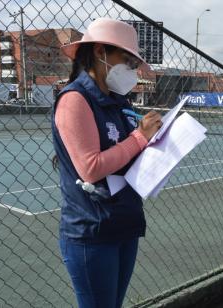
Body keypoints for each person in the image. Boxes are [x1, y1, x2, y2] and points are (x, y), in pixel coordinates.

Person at [53, 18, 162, 308]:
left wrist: (158, 141)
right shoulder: (75, 99)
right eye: (126, 61)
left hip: (123, 222)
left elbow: (129, 151)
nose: (132, 71)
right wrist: (140, 138)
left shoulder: (119, 101)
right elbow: (90, 167)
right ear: (101, 52)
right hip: (92, 230)